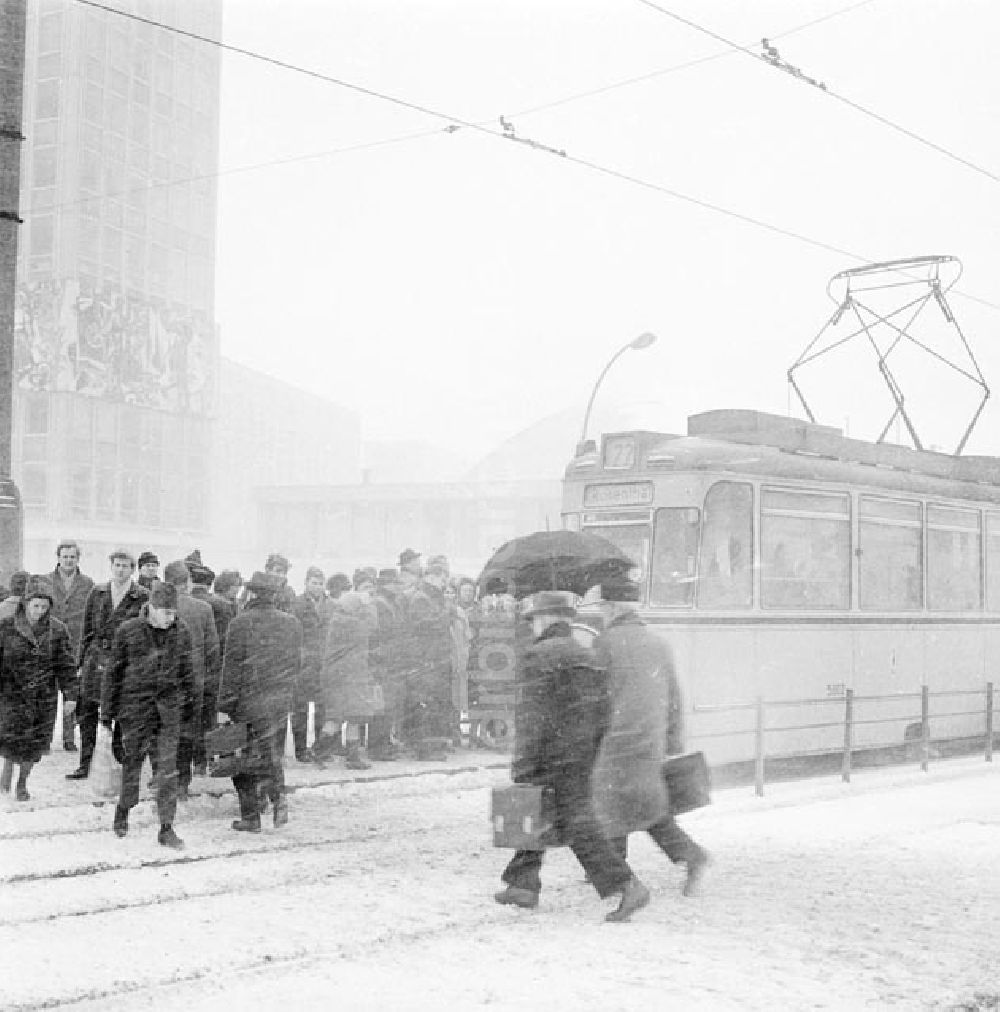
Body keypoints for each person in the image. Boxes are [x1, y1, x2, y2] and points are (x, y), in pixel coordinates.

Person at [495, 591, 649, 922]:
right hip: (581, 752)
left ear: (545, 619)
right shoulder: (586, 653)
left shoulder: (538, 656)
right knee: (542, 812)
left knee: (562, 819)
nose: (533, 626)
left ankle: (626, 884)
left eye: (534, 620)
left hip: (550, 753)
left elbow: (531, 717)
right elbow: (606, 708)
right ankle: (522, 884)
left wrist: (523, 761)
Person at [591, 576, 710, 897]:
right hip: (649, 737)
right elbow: (674, 696)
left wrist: (588, 736)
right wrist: (672, 741)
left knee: (610, 804)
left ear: (613, 608)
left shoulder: (605, 643)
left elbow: (596, 698)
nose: (602, 613)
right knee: (646, 807)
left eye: (603, 607)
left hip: (617, 739)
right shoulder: (659, 643)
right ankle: (688, 856)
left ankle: (622, 873)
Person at [101, 580, 195, 849]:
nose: (171, 618)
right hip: (134, 712)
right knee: (131, 767)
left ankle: (166, 828)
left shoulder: (181, 632)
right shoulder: (128, 631)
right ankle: (123, 810)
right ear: (151, 608)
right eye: (166, 612)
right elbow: (113, 675)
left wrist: (189, 713)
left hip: (168, 715)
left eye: (173, 613)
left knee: (167, 773)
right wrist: (107, 716)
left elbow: (189, 675)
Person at [218, 571, 302, 833]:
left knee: (240, 760)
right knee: (271, 756)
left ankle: (251, 816)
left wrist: (224, 707)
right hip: (278, 702)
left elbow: (231, 668)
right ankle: (278, 800)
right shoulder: (292, 623)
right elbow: (296, 664)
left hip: (248, 702)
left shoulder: (240, 623)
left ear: (252, 594)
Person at [68, 550, 148, 780]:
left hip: (125, 660)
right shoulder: (98, 592)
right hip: (96, 657)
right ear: (111, 567)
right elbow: (87, 628)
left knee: (120, 710)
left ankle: (119, 758)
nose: (120, 569)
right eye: (117, 565)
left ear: (133, 569)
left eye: (125, 566)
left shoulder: (141, 595)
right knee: (88, 712)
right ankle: (85, 763)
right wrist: (81, 661)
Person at [0, 577, 77, 801]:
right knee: (10, 738)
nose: (40, 611)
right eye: (36, 606)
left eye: (45, 607)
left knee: (34, 744)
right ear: (25, 603)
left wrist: (71, 694)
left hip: (43, 696)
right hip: (11, 694)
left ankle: (22, 782)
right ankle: (7, 769)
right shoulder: (6, 627)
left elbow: (66, 664)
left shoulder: (57, 630)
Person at [163, 560, 220, 799]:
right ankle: (182, 782)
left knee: (163, 731)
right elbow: (212, 649)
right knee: (187, 732)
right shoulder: (203, 609)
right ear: (187, 581)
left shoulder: (153, 607)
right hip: (192, 681)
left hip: (161, 681)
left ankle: (164, 776)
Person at [318, 570, 379, 770]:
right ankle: (349, 756)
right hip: (350, 674)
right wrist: (369, 604)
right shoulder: (353, 623)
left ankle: (320, 750)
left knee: (338, 715)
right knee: (353, 715)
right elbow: (373, 626)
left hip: (340, 674)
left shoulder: (339, 619)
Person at [401, 560, 455, 759]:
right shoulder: (421, 598)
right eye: (443, 578)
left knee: (437, 704)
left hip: (437, 659)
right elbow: (422, 626)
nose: (445, 583)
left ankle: (436, 745)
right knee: (428, 705)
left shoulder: (432, 597)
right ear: (433, 577)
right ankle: (426, 749)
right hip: (428, 660)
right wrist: (445, 615)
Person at [48, 540, 94, 752]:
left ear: (78, 559)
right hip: (50, 643)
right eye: (65, 556)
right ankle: (45, 737)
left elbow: (92, 614)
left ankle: (68, 738)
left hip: (75, 643)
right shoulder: (46, 581)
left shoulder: (87, 584)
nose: (68, 560)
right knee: (48, 692)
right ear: (58, 558)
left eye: (72, 557)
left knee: (71, 690)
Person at [289, 565, 328, 762]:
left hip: (324, 663)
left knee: (323, 707)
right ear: (306, 583)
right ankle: (301, 749)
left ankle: (321, 747)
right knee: (300, 709)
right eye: (314, 583)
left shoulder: (330, 605)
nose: (318, 587)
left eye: (321, 583)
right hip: (303, 664)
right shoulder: (296, 604)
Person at [367, 567, 404, 761]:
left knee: (387, 704)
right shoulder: (380, 603)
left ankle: (383, 743)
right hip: (382, 660)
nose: (398, 587)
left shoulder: (388, 602)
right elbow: (380, 633)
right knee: (381, 705)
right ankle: (377, 747)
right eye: (395, 583)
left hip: (389, 659)